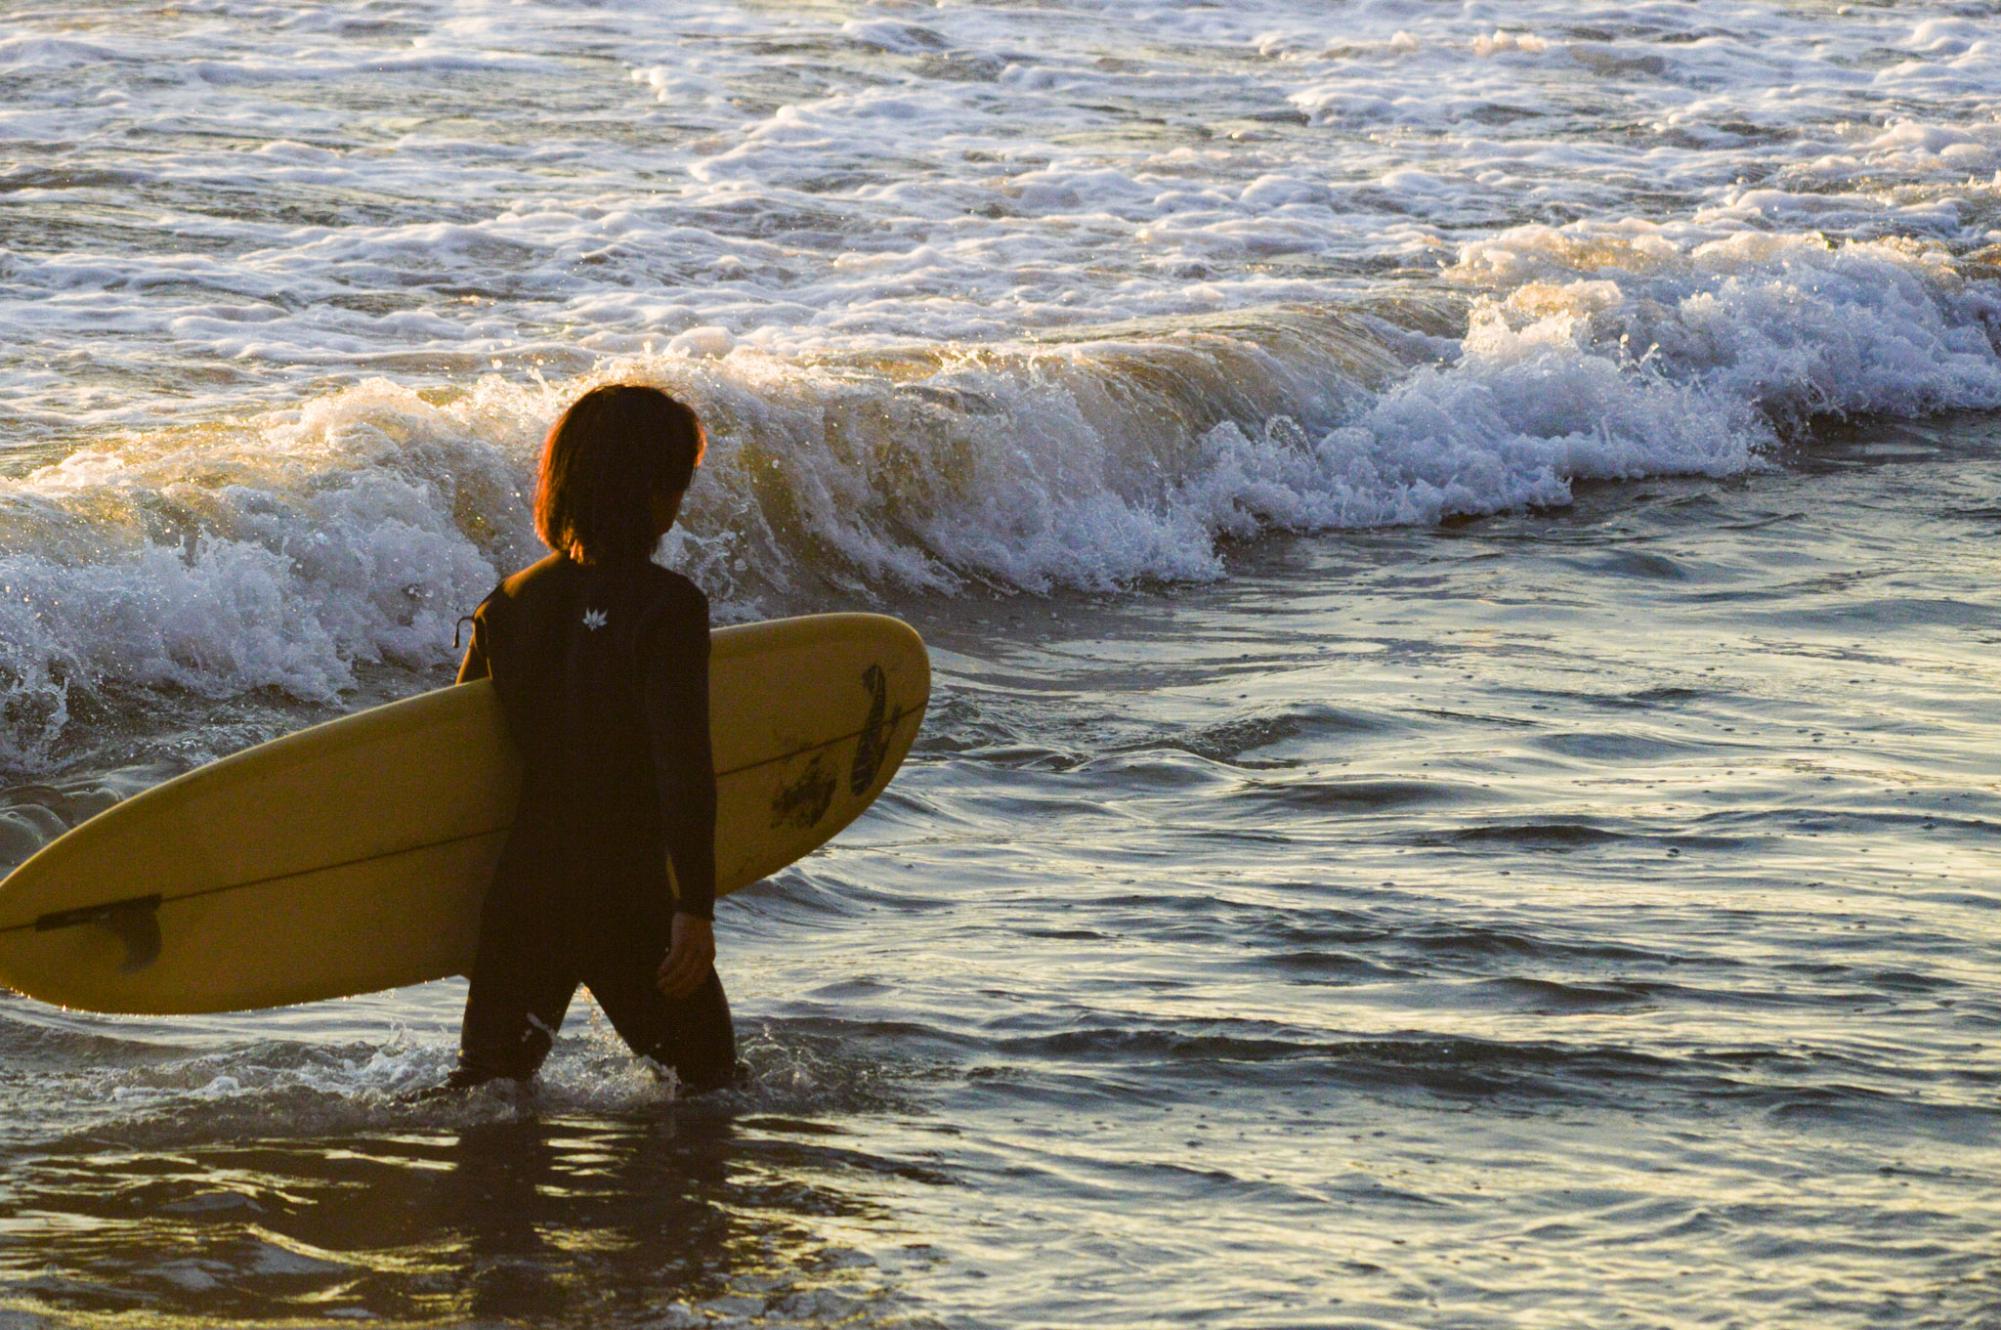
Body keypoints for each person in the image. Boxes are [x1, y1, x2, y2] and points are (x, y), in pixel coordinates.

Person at [430, 383, 736, 1097]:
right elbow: (682, 763)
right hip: (625, 900)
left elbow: (458, 761)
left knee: (485, 1098)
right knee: (711, 1093)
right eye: (680, 478)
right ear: (655, 488)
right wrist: (694, 909)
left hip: (522, 898)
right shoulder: (668, 607)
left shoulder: (505, 604)